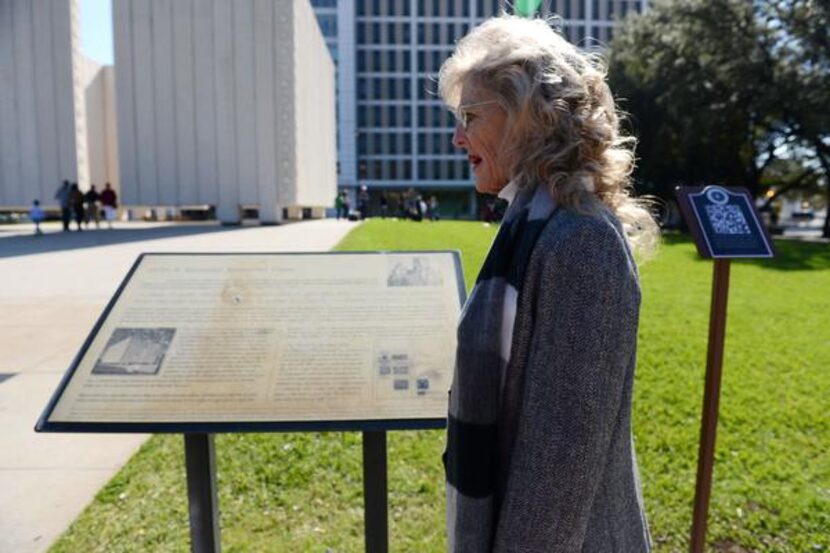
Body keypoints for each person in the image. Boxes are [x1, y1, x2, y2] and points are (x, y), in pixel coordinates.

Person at [439, 15, 659, 552]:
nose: (457, 136)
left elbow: (557, 477)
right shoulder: (534, 222)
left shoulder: (580, 241)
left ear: (528, 118)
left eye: (471, 116)